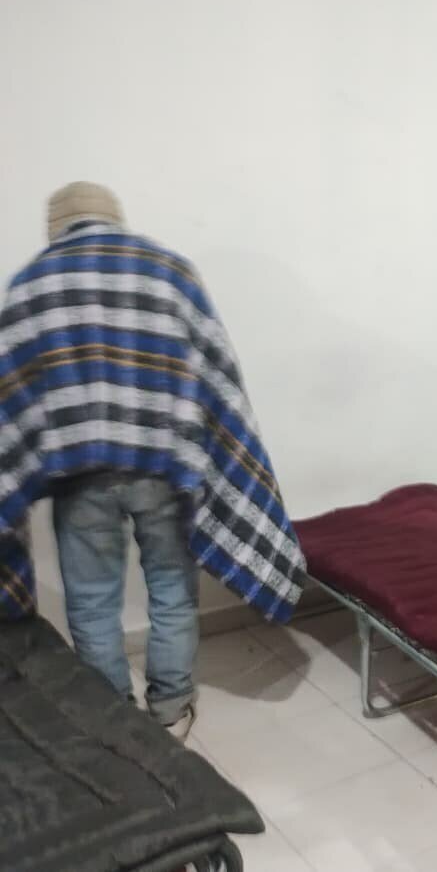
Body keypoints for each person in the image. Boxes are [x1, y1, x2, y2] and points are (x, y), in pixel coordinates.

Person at [0, 183, 306, 740]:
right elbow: (214, 373)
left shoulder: (31, 284)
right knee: (172, 588)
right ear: (114, 216)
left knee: (92, 602)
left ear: (57, 225)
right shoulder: (169, 271)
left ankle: (117, 721)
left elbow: (13, 398)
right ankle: (171, 707)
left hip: (80, 476)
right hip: (164, 467)